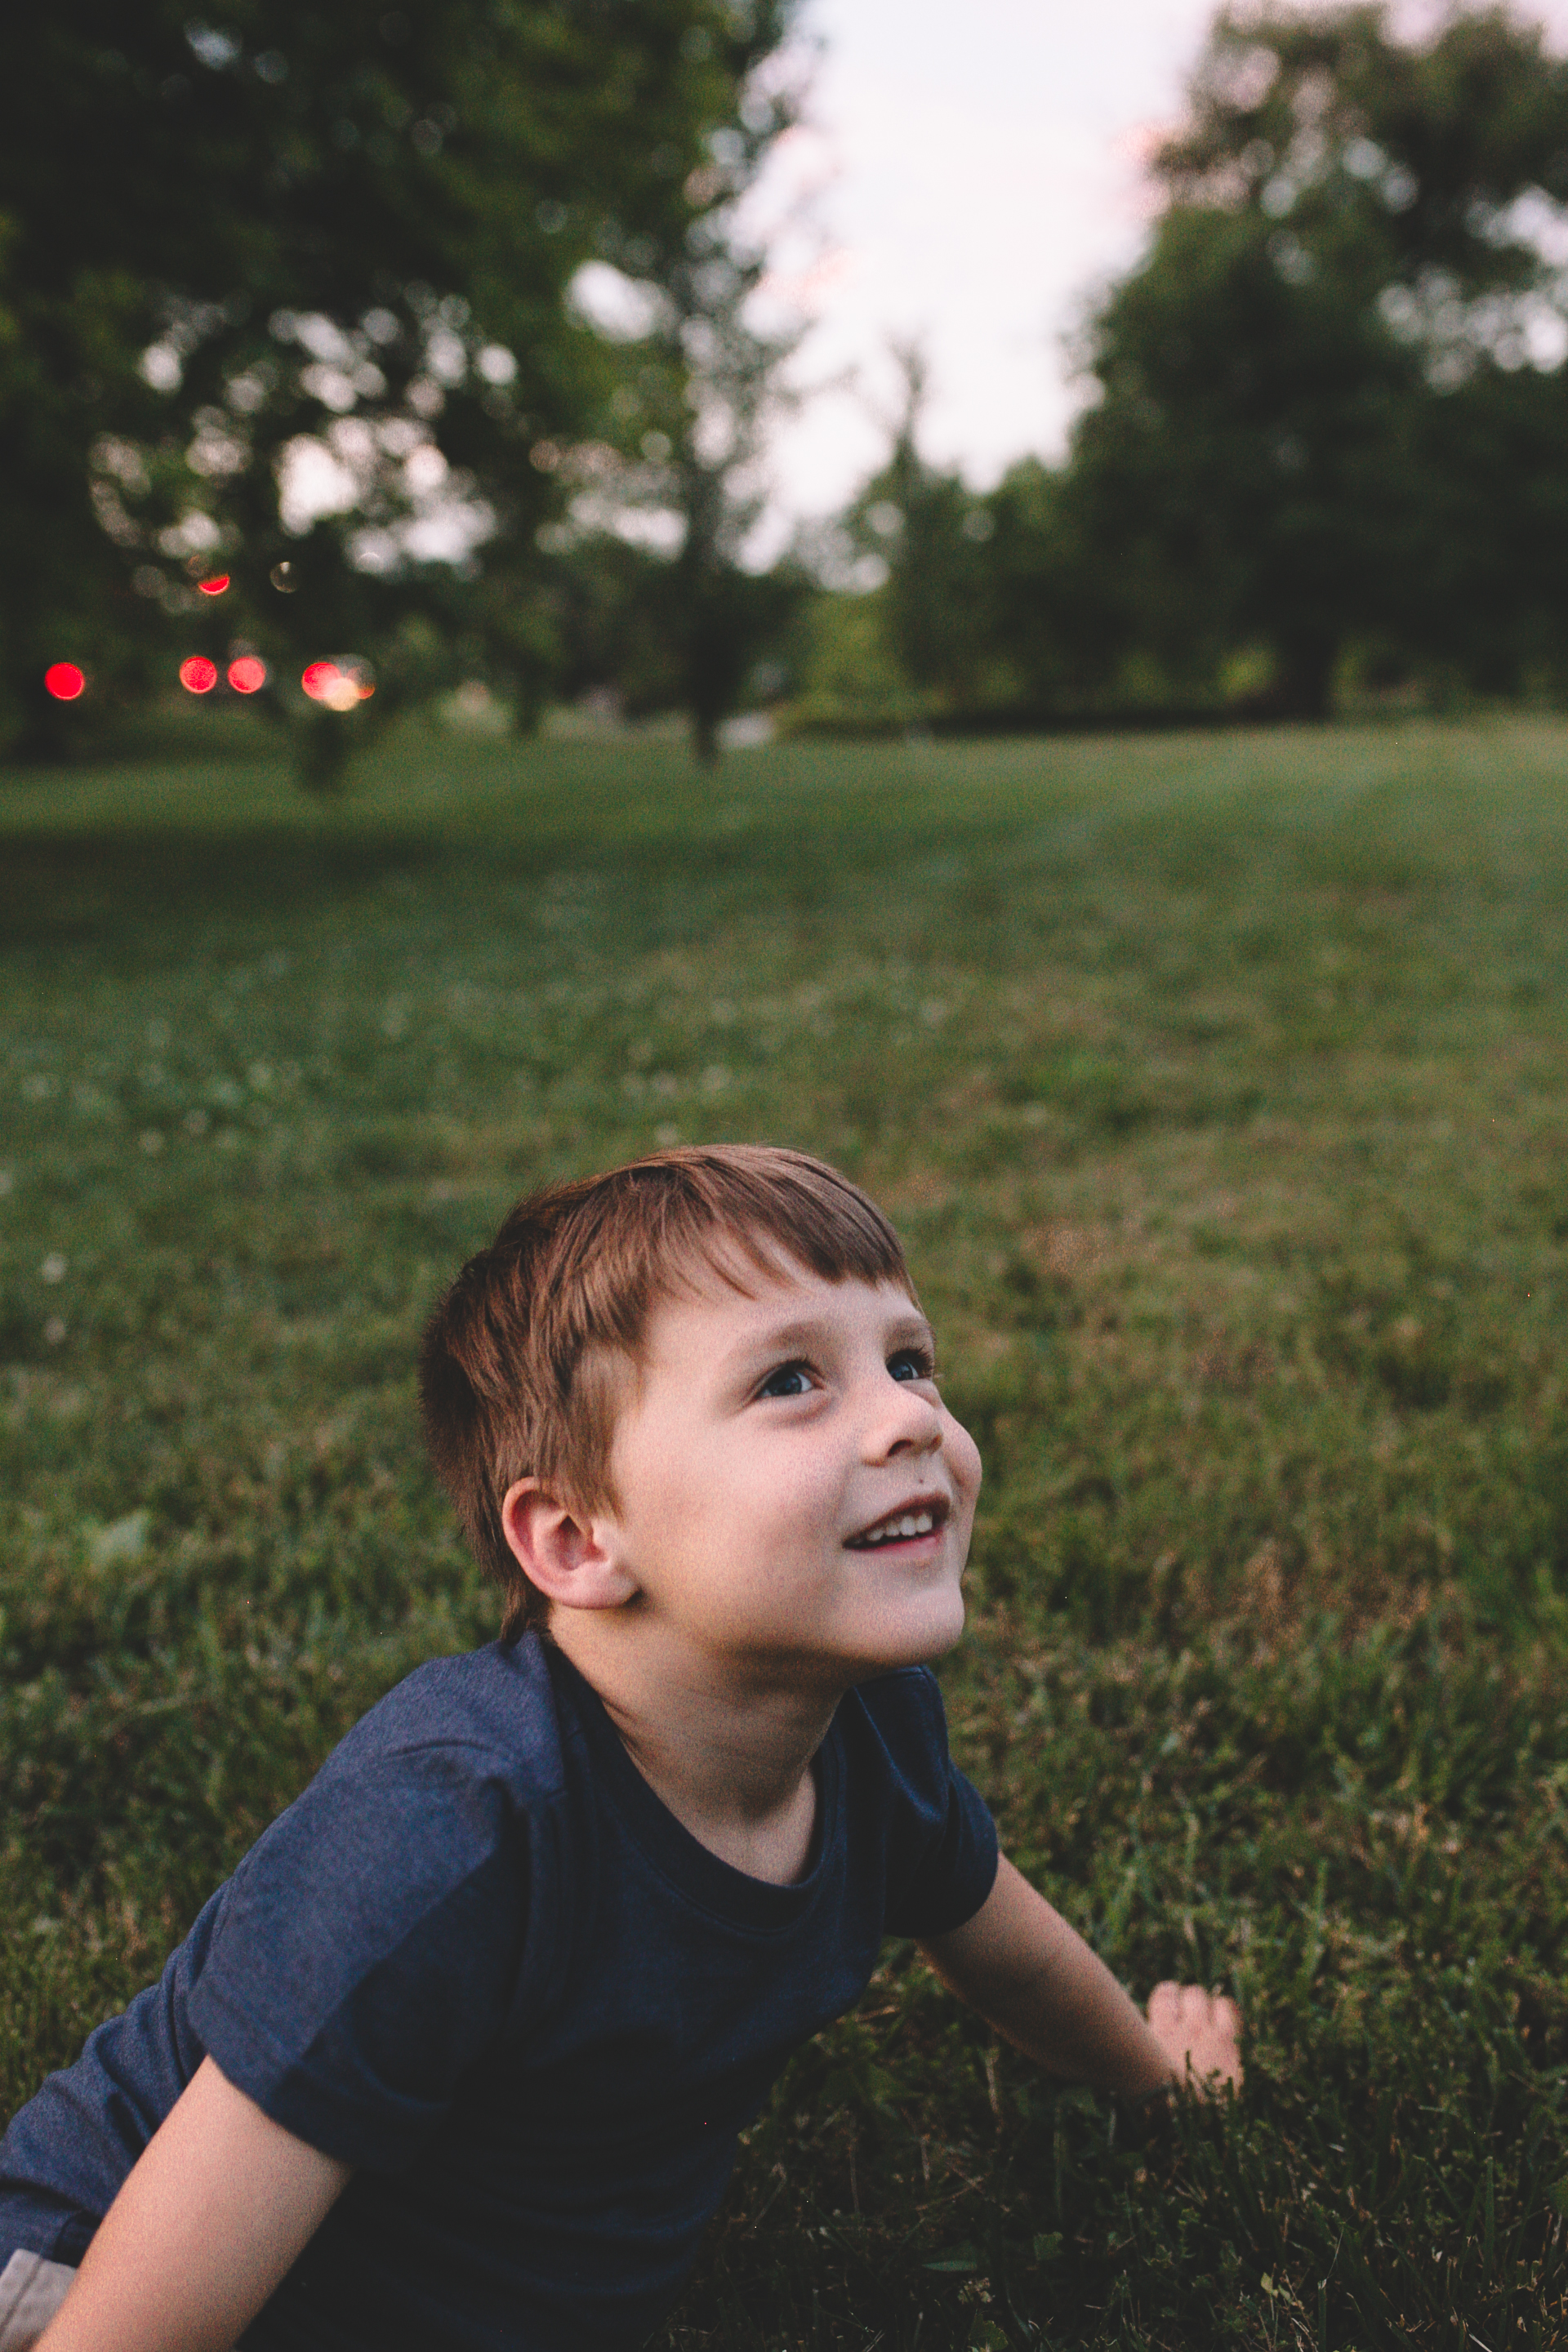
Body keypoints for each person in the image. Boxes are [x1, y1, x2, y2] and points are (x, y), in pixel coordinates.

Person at [0, 1145, 1241, 2352]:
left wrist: (1157, 2081)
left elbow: (1005, 1947)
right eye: (791, 1382)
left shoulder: (872, 1732)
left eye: (909, 1361)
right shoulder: (451, 1839)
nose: (907, 1421)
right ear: (578, 1540)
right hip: (92, 2276)